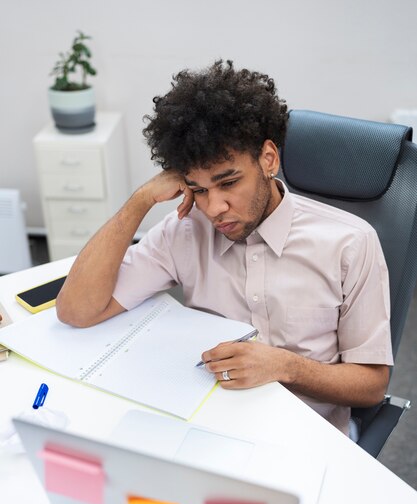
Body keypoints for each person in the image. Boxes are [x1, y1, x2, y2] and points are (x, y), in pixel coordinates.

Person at [56, 59, 393, 435]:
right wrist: (140, 201)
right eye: (198, 189)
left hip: (307, 439)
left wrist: (285, 366)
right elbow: (77, 310)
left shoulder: (351, 242)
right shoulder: (183, 232)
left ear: (268, 159)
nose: (214, 208)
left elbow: (371, 384)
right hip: (206, 428)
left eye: (228, 182)